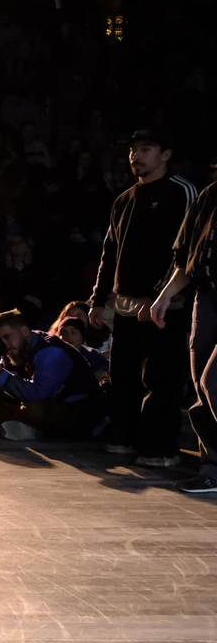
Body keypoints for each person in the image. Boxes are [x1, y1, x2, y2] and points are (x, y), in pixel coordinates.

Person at [89, 129, 201, 468]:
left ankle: (160, 446)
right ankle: (127, 437)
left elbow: (186, 251)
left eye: (146, 149)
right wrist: (97, 298)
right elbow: (110, 251)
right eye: (133, 150)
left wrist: (159, 295)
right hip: (125, 301)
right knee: (123, 373)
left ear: (165, 154)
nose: (136, 155)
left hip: (167, 302)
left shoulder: (181, 192)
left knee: (161, 375)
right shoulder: (123, 199)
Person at [149, 180, 217, 493]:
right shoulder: (210, 194)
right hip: (207, 297)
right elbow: (188, 255)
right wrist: (165, 295)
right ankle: (212, 469)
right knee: (200, 386)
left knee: (212, 382)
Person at [0, 309, 107, 442]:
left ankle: (10, 425)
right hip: (41, 406)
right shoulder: (13, 350)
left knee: (35, 409)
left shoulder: (51, 351)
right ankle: (20, 427)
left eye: (7, 337)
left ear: (24, 331)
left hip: (78, 412)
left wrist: (0, 373)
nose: (4, 344)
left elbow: (37, 394)